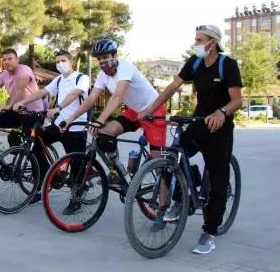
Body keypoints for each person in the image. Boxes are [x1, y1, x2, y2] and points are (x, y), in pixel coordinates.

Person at [138, 25, 242, 255]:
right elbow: (173, 86)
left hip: (219, 128)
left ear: (212, 42)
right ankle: (180, 199)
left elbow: (237, 101)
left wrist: (221, 113)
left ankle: (210, 232)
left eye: (199, 39)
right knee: (170, 158)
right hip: (197, 124)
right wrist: (150, 109)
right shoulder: (194, 63)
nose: (195, 43)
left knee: (218, 180)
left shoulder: (227, 65)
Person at [65, 39, 167, 187]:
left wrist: (100, 120)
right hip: (134, 111)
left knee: (159, 167)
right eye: (99, 59)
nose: (102, 61)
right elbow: (91, 98)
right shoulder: (102, 75)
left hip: (154, 111)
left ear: (114, 55)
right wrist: (71, 118)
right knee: (106, 134)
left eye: (105, 57)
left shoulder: (125, 68)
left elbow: (118, 96)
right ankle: (117, 172)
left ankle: (168, 203)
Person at [13, 49, 90, 207]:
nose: (60, 64)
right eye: (57, 62)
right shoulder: (59, 79)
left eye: (63, 61)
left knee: (76, 163)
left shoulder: (82, 78)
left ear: (71, 62)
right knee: (35, 144)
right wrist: (23, 102)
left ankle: (76, 199)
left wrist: (58, 108)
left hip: (75, 126)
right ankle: (47, 178)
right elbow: (43, 91)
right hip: (58, 124)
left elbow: (74, 95)